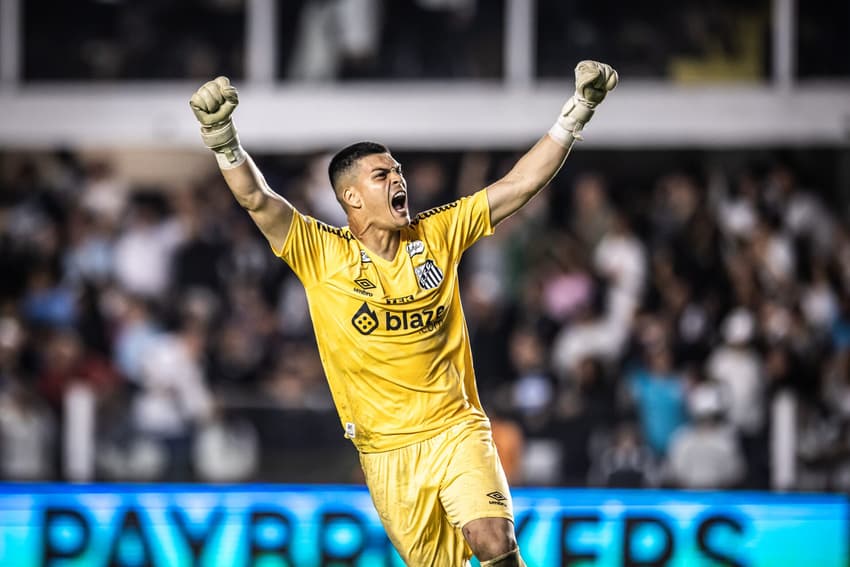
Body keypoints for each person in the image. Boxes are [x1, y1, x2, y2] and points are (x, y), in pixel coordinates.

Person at [189, 60, 617, 566]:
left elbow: (518, 185)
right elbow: (258, 200)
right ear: (351, 196)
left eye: (398, 170)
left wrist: (578, 111)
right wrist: (223, 139)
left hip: (457, 429)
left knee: (493, 541)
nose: (399, 179)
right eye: (382, 174)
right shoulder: (322, 253)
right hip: (388, 454)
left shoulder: (437, 232)